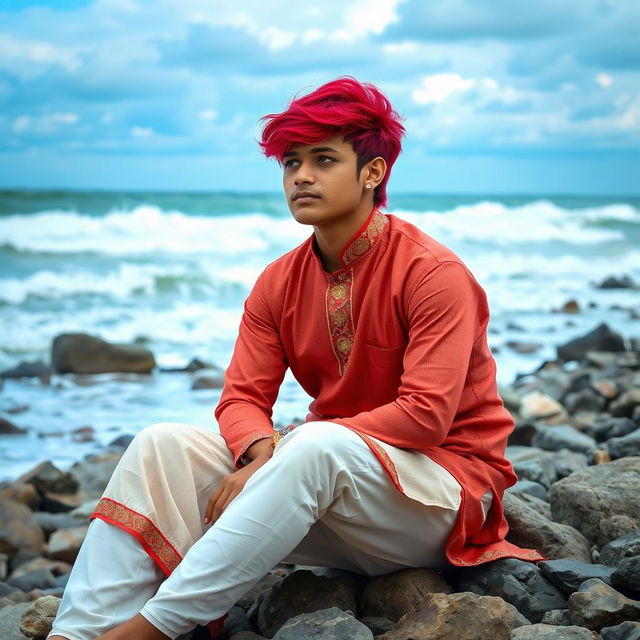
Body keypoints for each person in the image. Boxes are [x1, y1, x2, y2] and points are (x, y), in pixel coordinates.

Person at [48, 77, 543, 640]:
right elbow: (240, 398)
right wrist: (263, 454)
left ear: (372, 174)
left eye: (323, 159)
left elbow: (425, 416)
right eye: (291, 162)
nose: (301, 176)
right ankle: (77, 632)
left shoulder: (433, 275)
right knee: (163, 443)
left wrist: (281, 452)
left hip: (442, 498)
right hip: (330, 496)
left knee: (316, 440)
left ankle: (145, 632)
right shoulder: (278, 281)